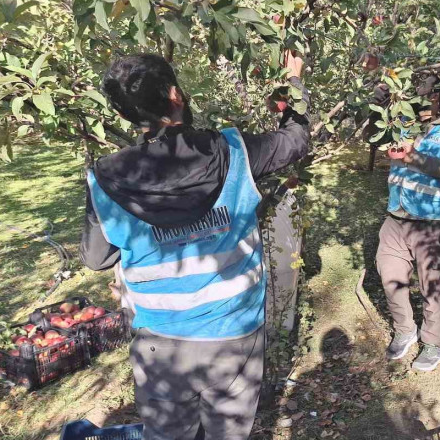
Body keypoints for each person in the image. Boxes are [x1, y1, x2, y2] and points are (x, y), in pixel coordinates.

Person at [79, 51, 309, 440]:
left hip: (162, 347)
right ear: (175, 93)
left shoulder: (105, 179)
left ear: (123, 116)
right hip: (235, 336)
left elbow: (96, 257)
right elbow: (296, 140)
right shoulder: (234, 151)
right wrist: (292, 83)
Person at [375, 74, 440, 371]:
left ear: (439, 95)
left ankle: (433, 344)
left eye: (426, 89)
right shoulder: (402, 121)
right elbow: (376, 130)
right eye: (415, 87)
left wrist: (415, 157)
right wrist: (379, 98)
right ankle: (405, 330)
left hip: (430, 222)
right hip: (396, 216)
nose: (418, 92)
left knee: (431, 285)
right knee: (389, 276)